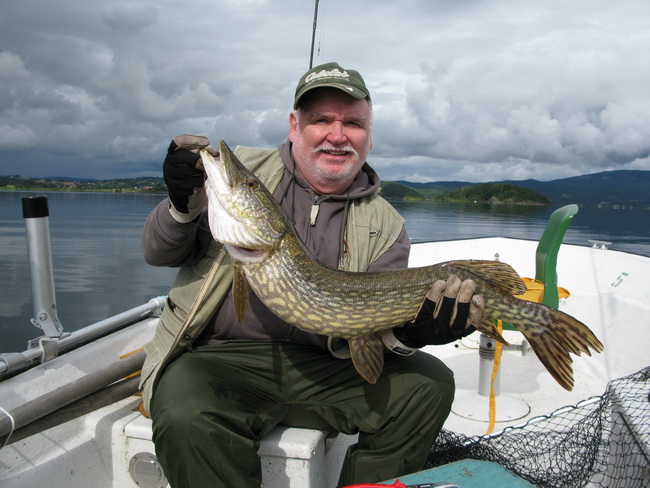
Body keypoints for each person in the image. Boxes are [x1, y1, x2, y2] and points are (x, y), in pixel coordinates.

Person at [140, 62, 484, 488]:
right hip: (219, 360)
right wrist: (181, 204)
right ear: (294, 126)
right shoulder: (245, 173)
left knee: (428, 385)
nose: (336, 135)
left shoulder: (386, 224)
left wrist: (410, 335)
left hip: (326, 366)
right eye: (321, 119)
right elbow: (159, 252)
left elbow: (370, 337)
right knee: (185, 408)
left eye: (353, 123)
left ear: (369, 137)